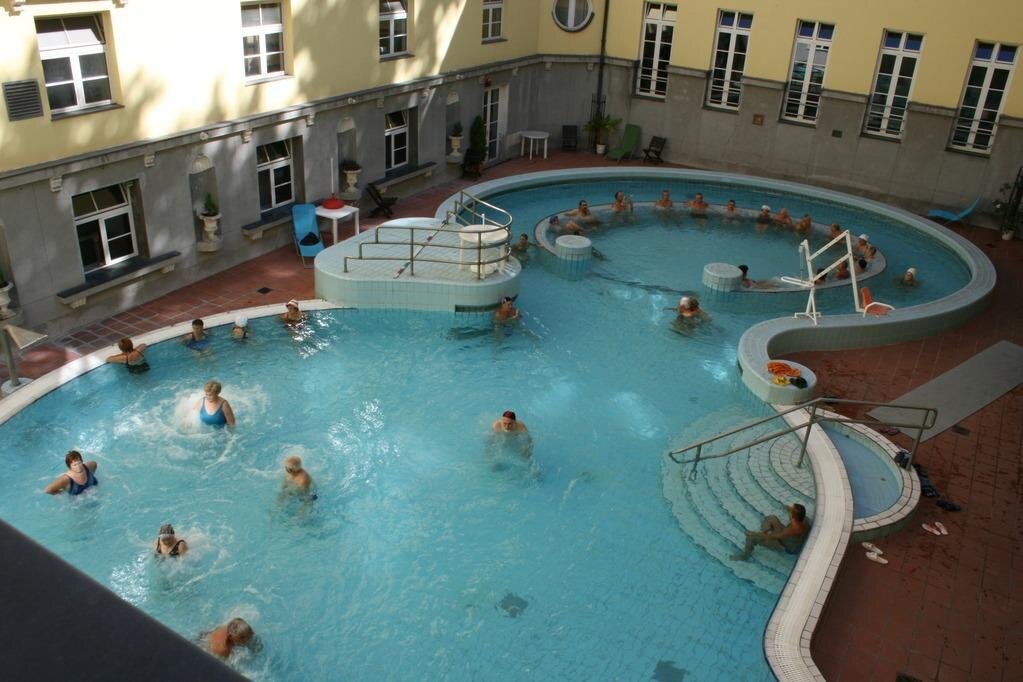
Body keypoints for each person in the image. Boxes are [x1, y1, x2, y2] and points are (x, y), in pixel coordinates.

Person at [731, 503, 810, 560]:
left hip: (786, 547)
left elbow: (773, 536)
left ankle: (744, 556)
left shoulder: (791, 529)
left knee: (751, 537)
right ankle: (765, 532)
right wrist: (789, 508)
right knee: (771, 518)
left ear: (792, 515)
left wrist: (754, 534)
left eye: (791, 510)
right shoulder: (803, 519)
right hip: (788, 538)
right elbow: (797, 513)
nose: (789, 510)